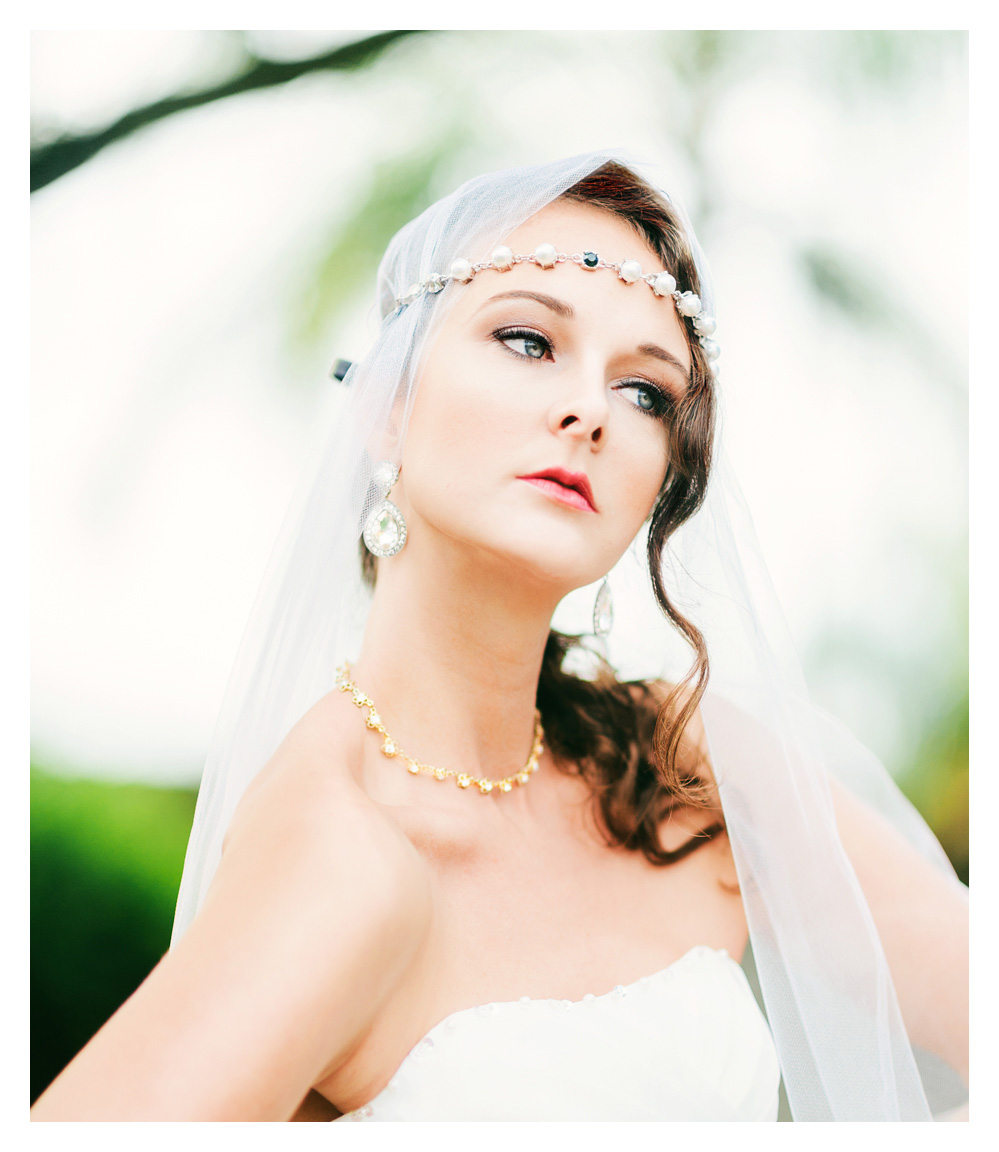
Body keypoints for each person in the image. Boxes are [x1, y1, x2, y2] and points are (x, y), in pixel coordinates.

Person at [30, 152, 968, 1122]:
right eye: (527, 340)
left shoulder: (693, 775)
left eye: (645, 392)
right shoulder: (339, 855)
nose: (590, 411)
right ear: (387, 408)